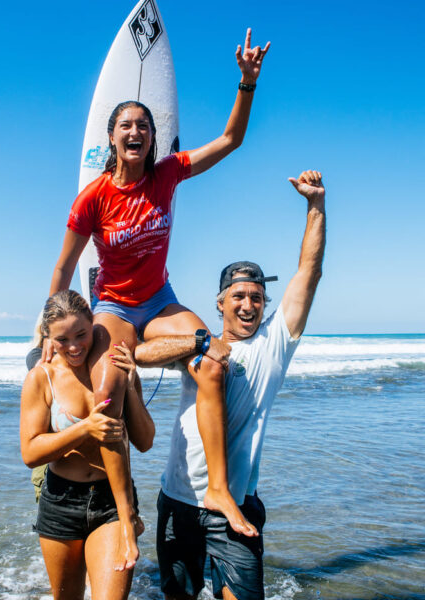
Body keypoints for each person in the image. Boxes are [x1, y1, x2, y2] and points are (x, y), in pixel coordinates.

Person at [44, 28, 271, 570]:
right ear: (112, 137)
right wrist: (45, 330)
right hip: (115, 306)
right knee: (109, 389)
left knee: (215, 360)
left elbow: (231, 141)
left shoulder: (168, 173)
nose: (137, 132)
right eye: (127, 125)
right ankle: (124, 515)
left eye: (145, 126)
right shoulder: (93, 197)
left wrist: (246, 83)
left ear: (154, 138)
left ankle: (215, 488)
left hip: (161, 298)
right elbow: (65, 265)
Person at [134, 171, 326, 599]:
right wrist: (200, 341)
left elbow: (308, 273)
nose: (247, 304)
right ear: (220, 302)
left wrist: (315, 206)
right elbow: (140, 355)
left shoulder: (273, 344)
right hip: (179, 499)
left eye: (256, 297)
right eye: (238, 296)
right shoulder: (199, 343)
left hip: (236, 507)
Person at [20, 290, 155, 600]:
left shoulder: (113, 368)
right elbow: (30, 452)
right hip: (60, 501)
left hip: (111, 500)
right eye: (62, 339)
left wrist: (131, 384)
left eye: (81, 334)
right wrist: (85, 429)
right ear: (47, 338)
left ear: (93, 324)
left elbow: (145, 441)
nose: (74, 346)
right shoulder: (42, 378)